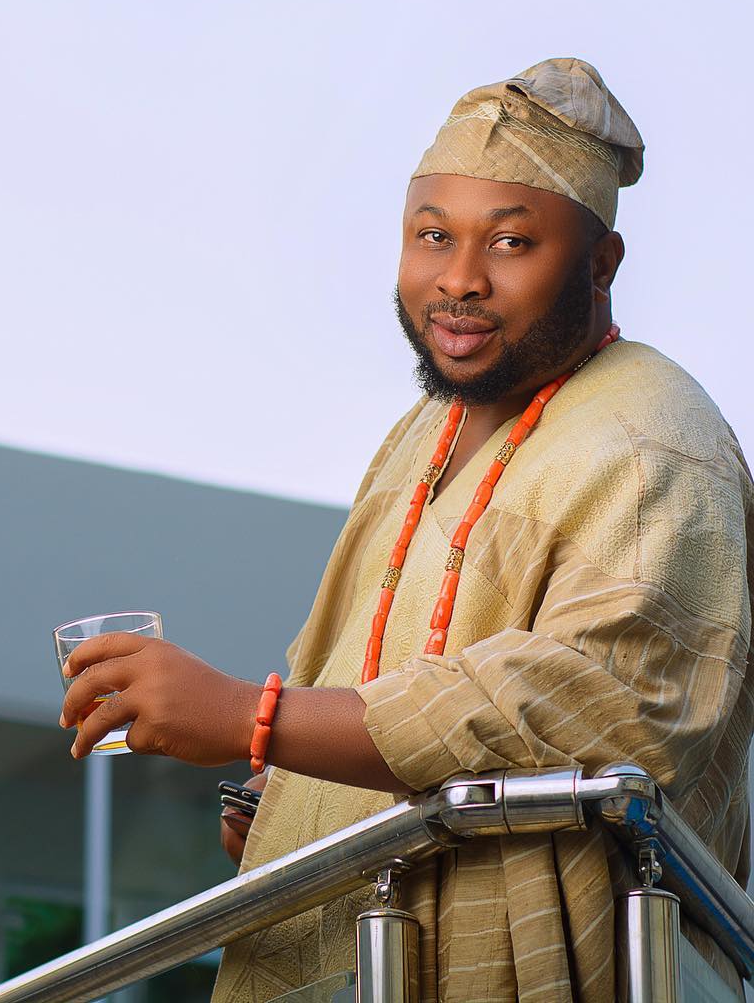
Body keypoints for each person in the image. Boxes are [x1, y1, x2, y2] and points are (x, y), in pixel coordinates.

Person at [59, 58, 754, 1002]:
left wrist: (250, 717)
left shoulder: (651, 439)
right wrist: (291, 792)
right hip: (362, 947)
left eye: (510, 243)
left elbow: (593, 711)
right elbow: (349, 671)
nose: (458, 279)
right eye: (433, 236)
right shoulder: (422, 432)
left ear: (600, 265)